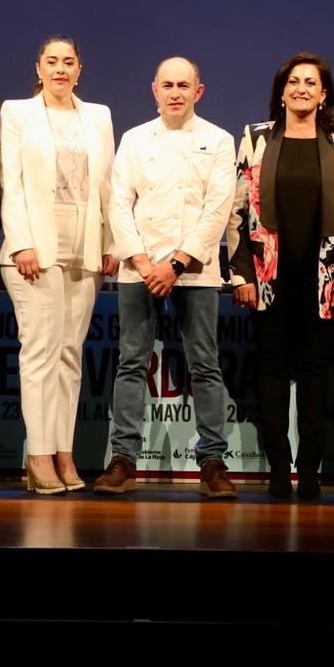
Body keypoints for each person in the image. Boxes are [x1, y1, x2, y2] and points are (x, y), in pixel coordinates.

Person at [96, 57, 237, 498]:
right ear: (154, 90)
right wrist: (142, 262)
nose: (175, 92)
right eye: (167, 85)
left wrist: (175, 264)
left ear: (200, 91)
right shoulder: (135, 139)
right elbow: (119, 203)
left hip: (194, 269)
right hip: (141, 267)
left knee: (204, 364)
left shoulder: (219, 140)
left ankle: (213, 461)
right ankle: (123, 460)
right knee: (132, 363)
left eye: (184, 85)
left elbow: (217, 207)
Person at [229, 53, 334, 500]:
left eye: (311, 82)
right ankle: (278, 470)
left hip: (322, 282)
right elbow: (237, 212)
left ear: (324, 94)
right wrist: (241, 273)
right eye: (294, 81)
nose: (302, 87)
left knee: (314, 374)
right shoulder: (257, 138)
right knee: (269, 372)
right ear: (282, 91)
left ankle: (309, 471)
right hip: (269, 280)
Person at [0, 37, 118, 493]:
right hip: (34, 248)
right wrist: (22, 243)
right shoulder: (17, 112)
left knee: (70, 354)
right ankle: (38, 457)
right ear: (39, 66)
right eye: (53, 61)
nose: (61, 69)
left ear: (80, 69)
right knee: (41, 353)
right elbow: (12, 183)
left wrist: (111, 242)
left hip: (85, 245)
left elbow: (107, 186)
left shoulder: (99, 115)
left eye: (69, 62)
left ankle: (65, 455)